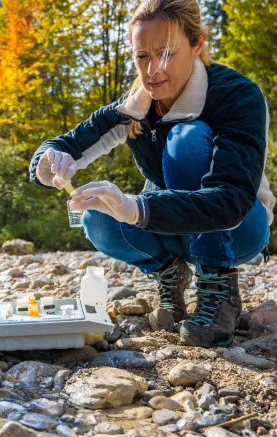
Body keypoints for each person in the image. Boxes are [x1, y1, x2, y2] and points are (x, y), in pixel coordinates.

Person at [29, 0, 275, 348]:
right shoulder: (133, 106)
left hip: (240, 228)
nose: (152, 71)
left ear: (198, 44)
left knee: (185, 140)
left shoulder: (236, 94)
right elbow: (63, 144)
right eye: (141, 56)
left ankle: (218, 286)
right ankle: (169, 272)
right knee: (96, 213)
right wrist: (50, 162)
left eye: (166, 54)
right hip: (170, 227)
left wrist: (137, 209)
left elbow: (232, 201)